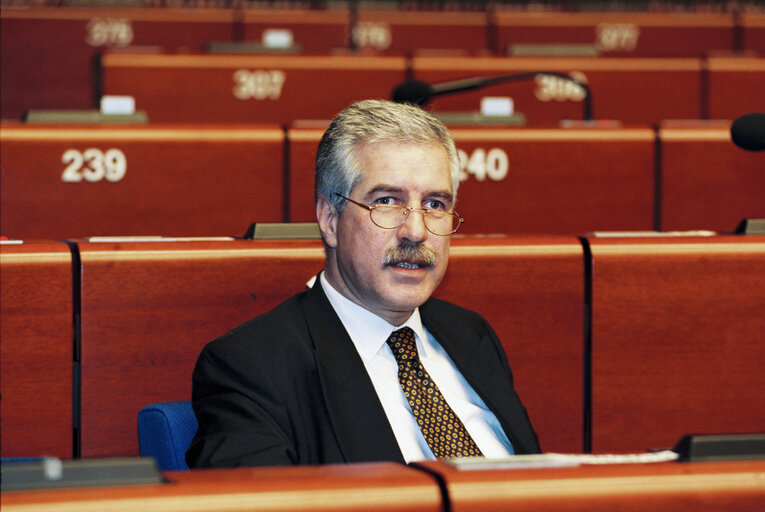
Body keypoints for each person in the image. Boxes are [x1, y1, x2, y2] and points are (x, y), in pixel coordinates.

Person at [186, 99, 540, 468]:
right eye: (386, 201)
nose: (416, 232)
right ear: (329, 219)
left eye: (435, 204)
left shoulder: (471, 334)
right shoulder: (254, 366)